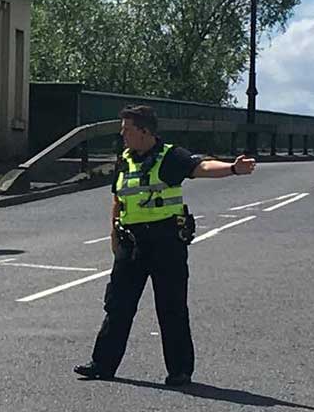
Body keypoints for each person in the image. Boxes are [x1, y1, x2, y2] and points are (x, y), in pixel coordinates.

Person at [74, 104, 254, 386]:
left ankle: (180, 371)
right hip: (131, 242)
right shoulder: (125, 159)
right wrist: (112, 234)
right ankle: (102, 364)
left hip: (165, 242)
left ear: (144, 132)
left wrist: (233, 168)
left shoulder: (170, 157)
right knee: (117, 305)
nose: (123, 136)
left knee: (171, 307)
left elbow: (201, 166)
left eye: (127, 130)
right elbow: (118, 198)